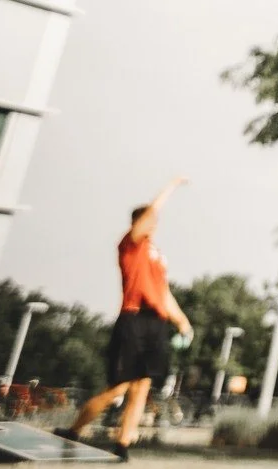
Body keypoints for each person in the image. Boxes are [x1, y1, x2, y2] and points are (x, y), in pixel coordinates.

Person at [64, 177, 194, 459]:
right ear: (138, 222)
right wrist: (171, 186)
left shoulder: (156, 254)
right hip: (133, 319)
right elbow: (151, 213)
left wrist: (182, 321)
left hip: (155, 323)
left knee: (142, 387)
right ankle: (74, 430)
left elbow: (163, 292)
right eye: (150, 220)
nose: (154, 224)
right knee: (119, 386)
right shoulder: (130, 244)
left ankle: (123, 444)